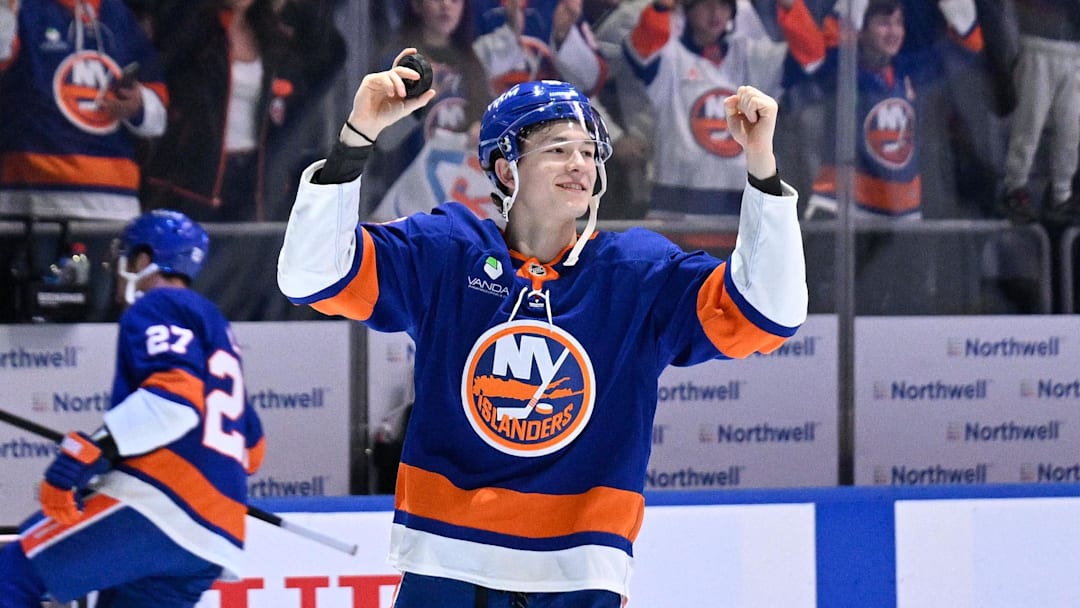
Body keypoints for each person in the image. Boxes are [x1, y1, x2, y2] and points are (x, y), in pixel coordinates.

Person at [277, 49, 807, 605]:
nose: (580, 164)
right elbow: (313, 275)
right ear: (507, 169)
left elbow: (768, 314)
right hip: (447, 563)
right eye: (557, 149)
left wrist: (762, 167)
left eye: (588, 151)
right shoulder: (448, 252)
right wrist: (357, 135)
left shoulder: (637, 273)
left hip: (579, 574)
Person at [0, 210, 266, 608]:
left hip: (159, 506)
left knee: (14, 574)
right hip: (216, 536)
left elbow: (173, 402)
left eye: (125, 258)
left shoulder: (157, 304)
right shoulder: (217, 327)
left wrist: (90, 455)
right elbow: (253, 450)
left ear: (144, 259)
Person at [141, 0, 342, 222]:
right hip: (192, 176)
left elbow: (329, 55)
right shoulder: (192, 27)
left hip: (251, 177)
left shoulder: (271, 36)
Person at [0, 0, 167, 221]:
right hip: (31, 199)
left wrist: (139, 104)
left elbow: (158, 116)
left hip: (115, 203)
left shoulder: (119, 16)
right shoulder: (20, 8)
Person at [623, 0, 787, 218]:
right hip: (676, 203)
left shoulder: (751, 55)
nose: (715, 12)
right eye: (706, 4)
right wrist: (662, 7)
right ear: (687, 8)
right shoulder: (669, 57)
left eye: (723, 5)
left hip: (741, 205)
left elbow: (809, 60)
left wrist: (791, 7)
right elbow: (643, 48)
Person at [996, 0, 1080, 225]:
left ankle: (1061, 194)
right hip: (1037, 44)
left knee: (1070, 129)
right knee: (1029, 123)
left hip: (1072, 51)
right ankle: (1014, 187)